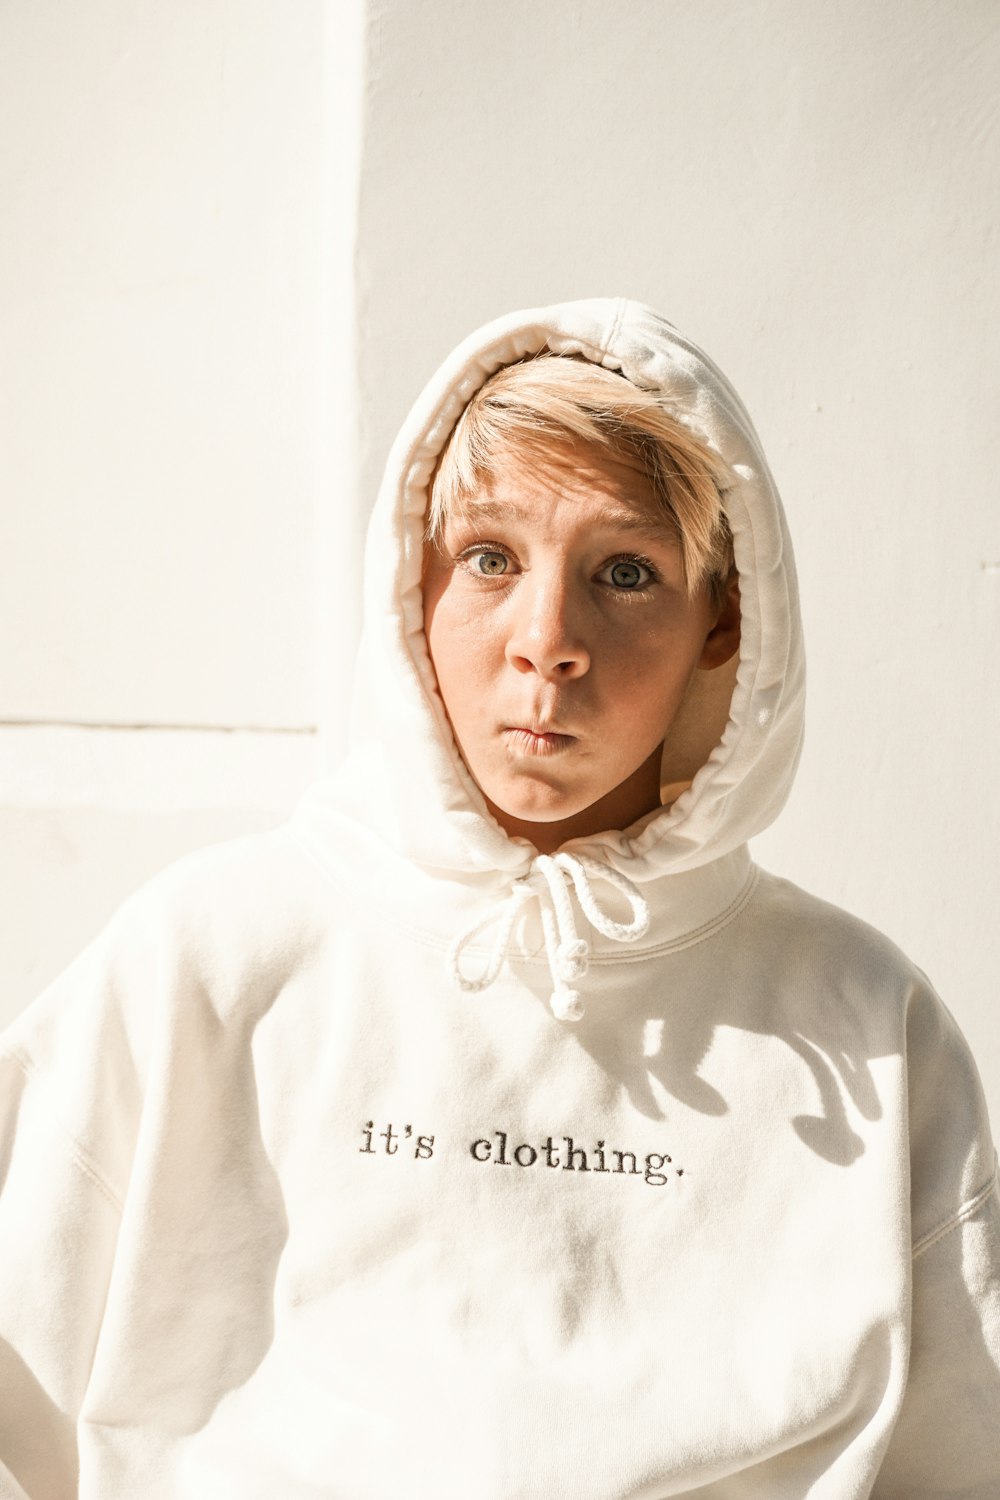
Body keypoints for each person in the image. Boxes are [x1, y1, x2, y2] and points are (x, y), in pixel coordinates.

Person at [1, 298, 997, 1497]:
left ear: (724, 624)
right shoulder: (211, 953)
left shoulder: (861, 1022)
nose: (548, 640)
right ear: (410, 590)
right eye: (489, 558)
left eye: (624, 573)